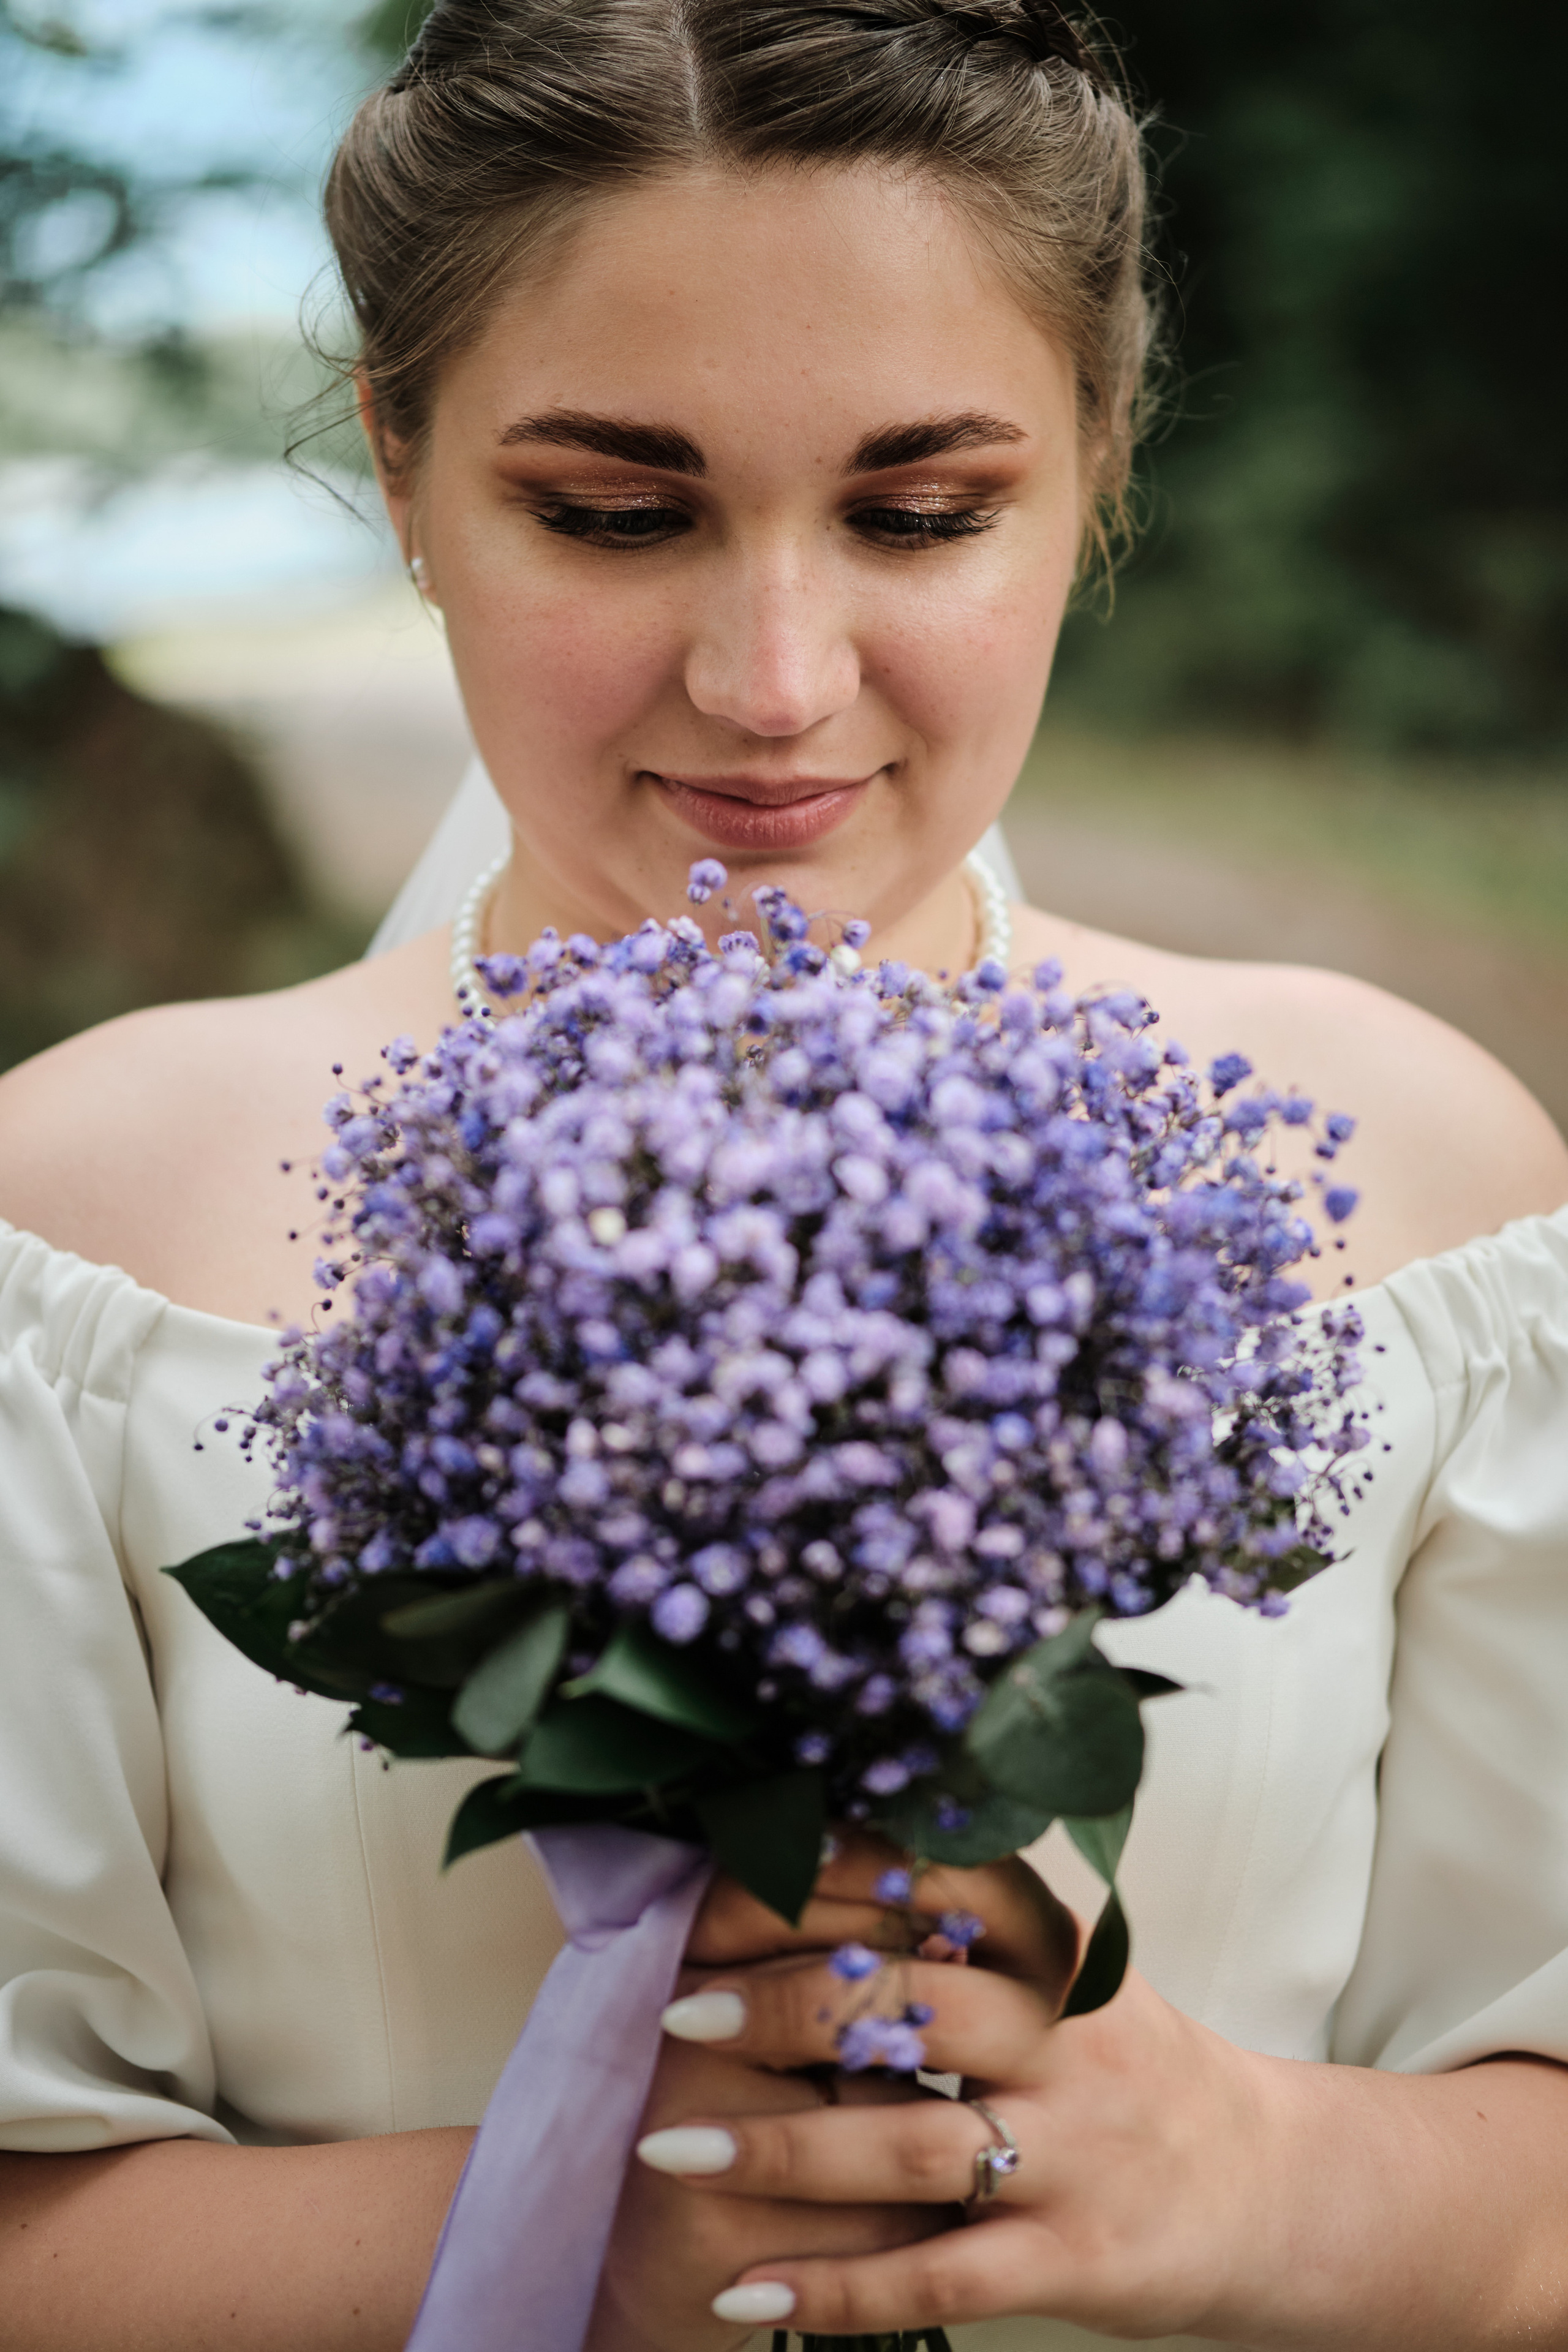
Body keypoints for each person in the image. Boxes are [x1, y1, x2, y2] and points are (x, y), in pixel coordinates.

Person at [1, 2, 1566, 2345]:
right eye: (614, 514)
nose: (773, 678)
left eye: (919, 516)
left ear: (1097, 464)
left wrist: (1261, 2178)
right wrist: (566, 2231)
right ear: (403, 465)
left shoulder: (1427, 1187)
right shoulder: (74, 1231)